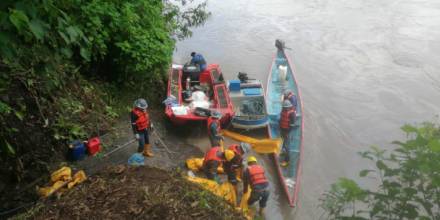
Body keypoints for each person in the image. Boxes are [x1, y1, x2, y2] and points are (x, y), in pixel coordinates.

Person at [279, 100, 296, 166]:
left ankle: (287, 161)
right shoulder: (283, 111)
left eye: (286, 107)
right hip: (282, 130)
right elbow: (281, 120)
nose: (285, 108)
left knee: (287, 146)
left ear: (289, 107)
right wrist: (280, 128)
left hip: (287, 131)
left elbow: (292, 125)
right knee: (283, 142)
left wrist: (287, 133)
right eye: (284, 107)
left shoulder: (292, 114)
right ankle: (283, 152)